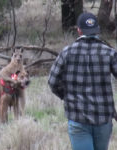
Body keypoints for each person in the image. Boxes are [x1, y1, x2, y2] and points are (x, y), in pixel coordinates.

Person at [48, 12, 117, 150]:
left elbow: (52, 81)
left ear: (78, 30)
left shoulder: (66, 53)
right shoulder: (110, 53)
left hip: (77, 118)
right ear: (97, 30)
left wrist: (67, 96)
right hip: (103, 119)